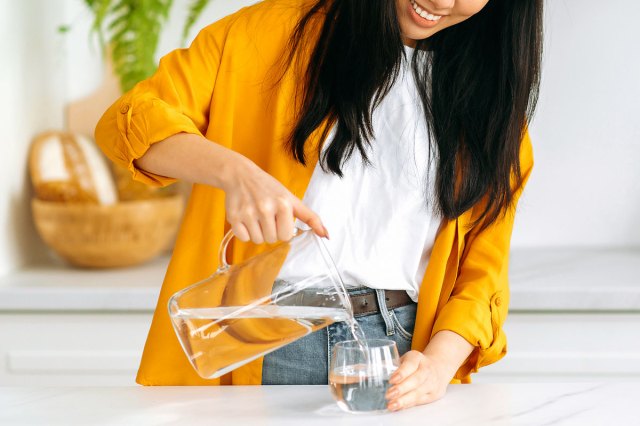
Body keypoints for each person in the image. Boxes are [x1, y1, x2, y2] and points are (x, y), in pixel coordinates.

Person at [95, 0, 542, 411]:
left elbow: (484, 272)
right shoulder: (266, 36)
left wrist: (438, 365)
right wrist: (235, 172)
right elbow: (127, 123)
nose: (442, 1)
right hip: (268, 338)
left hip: (407, 349)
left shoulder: (493, 106)